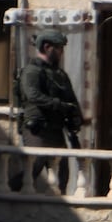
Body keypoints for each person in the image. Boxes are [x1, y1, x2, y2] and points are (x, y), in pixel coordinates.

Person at [11, 29, 83, 193]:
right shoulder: (32, 71)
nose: (61, 53)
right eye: (58, 48)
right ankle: (11, 192)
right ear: (47, 47)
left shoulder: (60, 75)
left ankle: (60, 204)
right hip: (37, 128)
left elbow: (71, 99)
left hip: (56, 129)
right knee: (35, 164)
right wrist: (59, 104)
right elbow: (33, 95)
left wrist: (75, 117)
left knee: (62, 171)